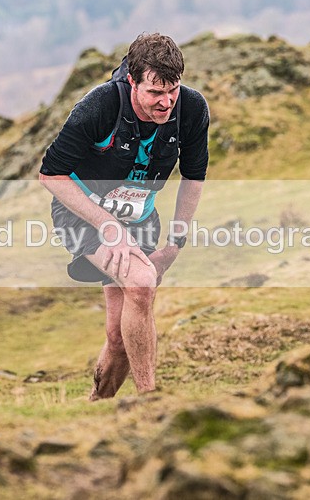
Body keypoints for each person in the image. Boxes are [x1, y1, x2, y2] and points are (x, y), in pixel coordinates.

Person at [38, 33, 209, 400]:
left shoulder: (192, 109)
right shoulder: (100, 106)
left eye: (172, 91)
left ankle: (98, 403)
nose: (166, 103)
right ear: (133, 81)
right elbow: (50, 174)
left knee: (119, 334)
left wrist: (175, 243)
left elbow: (193, 179)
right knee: (142, 281)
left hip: (142, 217)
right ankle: (151, 401)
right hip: (83, 213)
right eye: (154, 93)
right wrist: (108, 225)